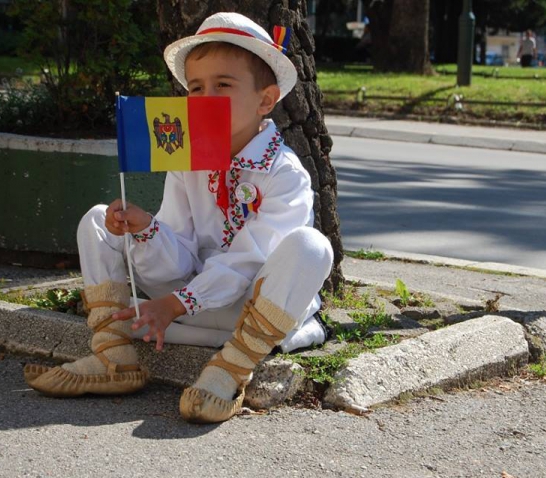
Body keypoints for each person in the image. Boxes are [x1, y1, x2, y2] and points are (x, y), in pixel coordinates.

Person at [24, 12, 334, 424]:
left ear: (265, 99)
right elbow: (181, 259)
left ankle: (232, 367)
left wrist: (173, 305)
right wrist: (147, 231)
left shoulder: (284, 173)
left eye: (222, 85)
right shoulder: (189, 160)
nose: (205, 98)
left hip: (251, 308)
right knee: (99, 219)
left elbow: (250, 259)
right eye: (196, 87)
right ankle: (115, 354)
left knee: (312, 247)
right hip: (193, 302)